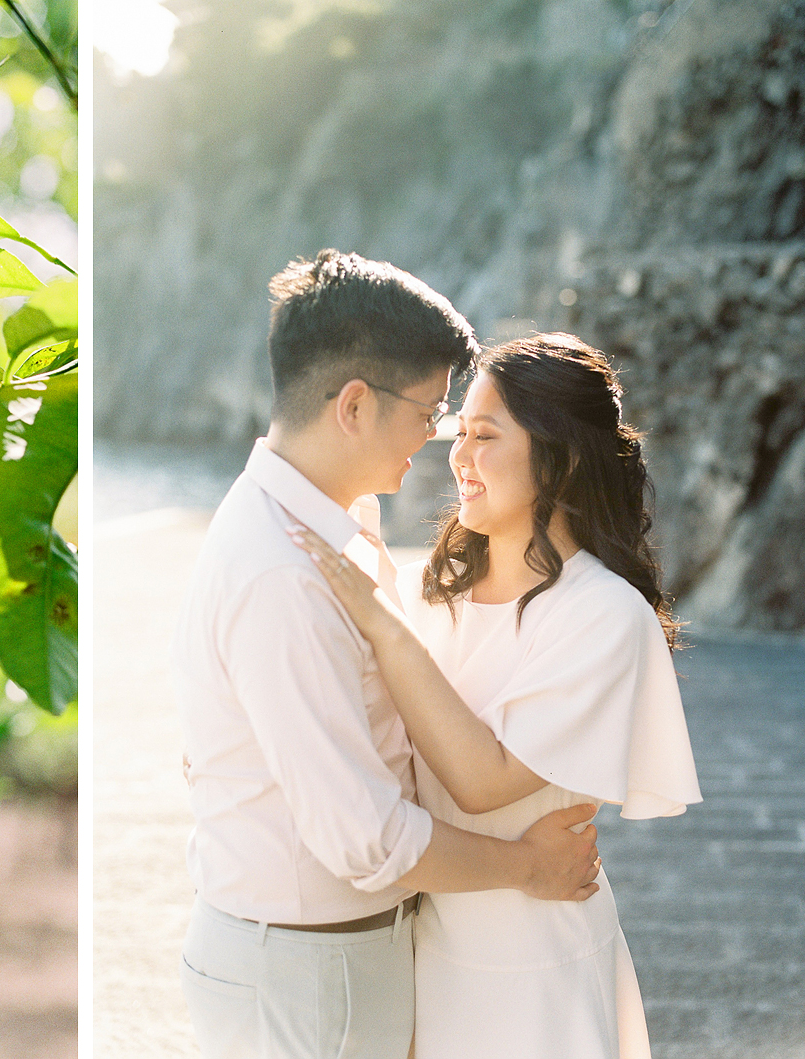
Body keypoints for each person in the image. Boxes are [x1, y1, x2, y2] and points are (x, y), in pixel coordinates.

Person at [174, 252, 604, 1059]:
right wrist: (528, 868)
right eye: (430, 410)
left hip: (328, 952)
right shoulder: (282, 573)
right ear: (355, 405)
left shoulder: (332, 524)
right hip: (304, 969)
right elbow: (362, 837)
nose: (438, 438)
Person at [290, 332, 702, 1059]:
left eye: (486, 435)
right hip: (421, 954)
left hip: (535, 970)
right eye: (459, 433)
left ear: (561, 455)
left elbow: (484, 781)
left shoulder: (604, 614)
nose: (460, 455)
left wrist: (382, 624)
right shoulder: (427, 591)